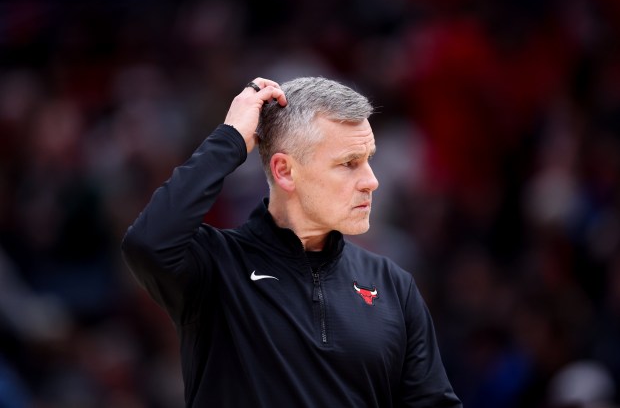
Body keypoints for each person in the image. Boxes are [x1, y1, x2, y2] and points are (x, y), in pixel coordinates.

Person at [121, 76, 462, 407]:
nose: (371, 181)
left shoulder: (393, 286)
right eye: (349, 164)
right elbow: (148, 242)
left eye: (368, 160)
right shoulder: (217, 266)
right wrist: (230, 140)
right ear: (284, 171)